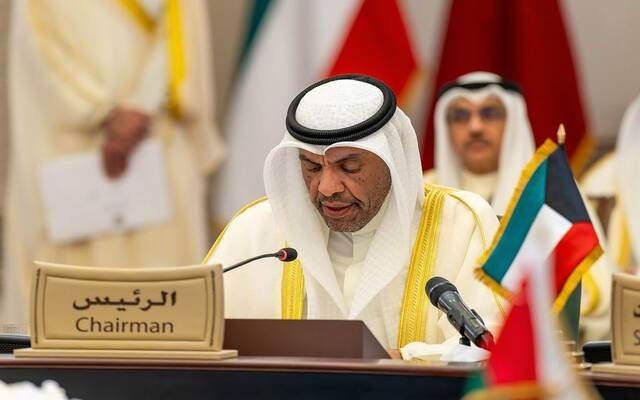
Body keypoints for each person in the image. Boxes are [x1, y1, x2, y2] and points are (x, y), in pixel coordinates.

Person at [205, 74, 502, 350]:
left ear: (391, 159)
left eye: (349, 167)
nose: (327, 188)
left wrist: (401, 362)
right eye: (312, 167)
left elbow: (492, 348)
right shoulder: (256, 230)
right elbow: (196, 338)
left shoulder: (461, 224)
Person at [3, 0, 224, 323]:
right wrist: (101, 112)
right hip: (71, 143)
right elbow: (39, 43)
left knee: (164, 304)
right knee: (65, 299)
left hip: (155, 140)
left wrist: (139, 110)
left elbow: (180, 33)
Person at [423, 71, 535, 217]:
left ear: (513, 123)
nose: (475, 128)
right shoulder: (423, 194)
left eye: (489, 114)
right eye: (460, 116)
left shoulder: (544, 193)